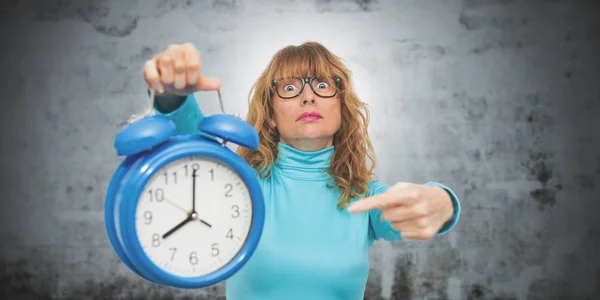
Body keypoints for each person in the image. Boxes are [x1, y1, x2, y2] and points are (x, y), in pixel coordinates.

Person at [141, 41, 461, 299]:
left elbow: (419, 205)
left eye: (322, 85)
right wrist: (172, 95)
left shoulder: (366, 197)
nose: (308, 96)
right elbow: (192, 146)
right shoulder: (239, 185)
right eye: (290, 88)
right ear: (270, 113)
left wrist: (442, 201)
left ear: (341, 107)